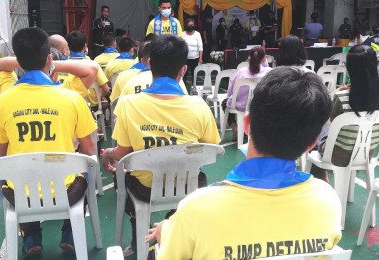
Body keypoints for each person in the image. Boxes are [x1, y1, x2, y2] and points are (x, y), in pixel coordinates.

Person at [146, 66, 342, 259]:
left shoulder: (197, 208)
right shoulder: (327, 200)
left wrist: (165, 233)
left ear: (247, 124)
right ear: (312, 143)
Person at [101, 34, 220, 256]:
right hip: (188, 185)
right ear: (184, 70)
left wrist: (107, 153)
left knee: (126, 180)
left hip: (145, 188)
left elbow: (122, 152)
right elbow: (210, 149)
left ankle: (140, 239)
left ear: (149, 63)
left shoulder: (128, 105)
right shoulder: (199, 106)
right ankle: (172, 227)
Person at [0, 27, 97, 257]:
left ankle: (31, 238)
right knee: (85, 168)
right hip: (67, 192)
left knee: (5, 175)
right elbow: (89, 148)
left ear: (20, 63)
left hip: (21, 194)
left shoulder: (2, 101)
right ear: (49, 59)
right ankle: (70, 234)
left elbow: (2, 151)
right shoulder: (72, 98)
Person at [311, 45, 379, 181]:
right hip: (366, 154)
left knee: (318, 126)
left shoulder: (342, 97)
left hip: (336, 156)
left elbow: (329, 121)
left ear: (349, 69)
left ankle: (322, 179)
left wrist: (336, 93)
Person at [221, 46, 271, 141]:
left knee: (225, 102)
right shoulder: (269, 72)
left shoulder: (241, 71)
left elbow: (230, 91)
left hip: (240, 106)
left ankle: (235, 128)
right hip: (261, 106)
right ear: (264, 58)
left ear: (249, 57)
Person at [63, 31, 109, 104]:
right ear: (85, 46)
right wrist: (98, 99)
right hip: (91, 107)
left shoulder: (62, 65)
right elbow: (105, 89)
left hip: (68, 104)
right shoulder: (93, 65)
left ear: (68, 47)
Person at [182, 18, 203, 89]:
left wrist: (200, 58)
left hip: (195, 57)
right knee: (184, 73)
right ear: (186, 25)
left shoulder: (197, 34)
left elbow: (200, 46)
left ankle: (195, 88)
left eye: (192, 25)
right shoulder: (182, 34)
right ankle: (184, 88)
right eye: (189, 25)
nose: (191, 26)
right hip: (185, 58)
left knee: (195, 73)